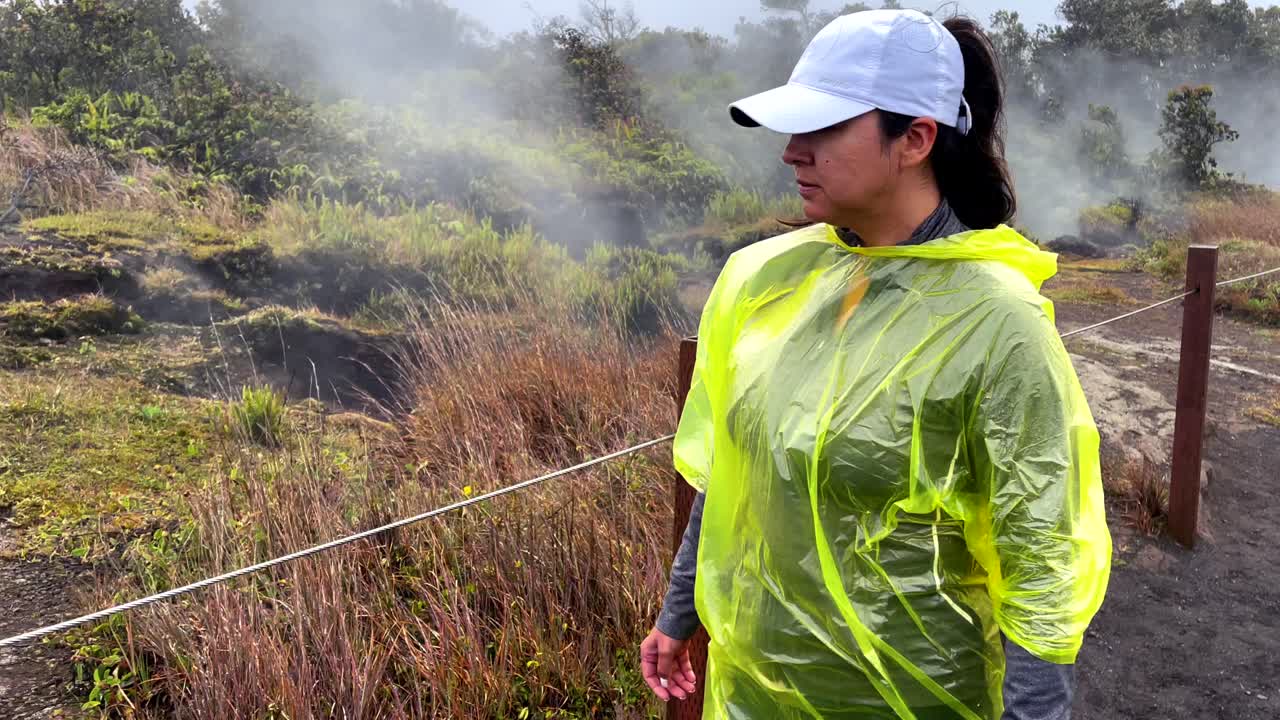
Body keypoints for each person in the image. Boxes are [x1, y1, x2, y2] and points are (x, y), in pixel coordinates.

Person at [639, 9, 1111, 720]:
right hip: (754, 696)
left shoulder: (997, 324)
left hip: (915, 697)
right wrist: (680, 614)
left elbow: (1041, 560)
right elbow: (734, 468)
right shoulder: (768, 283)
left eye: (824, 128)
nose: (791, 151)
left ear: (916, 138)